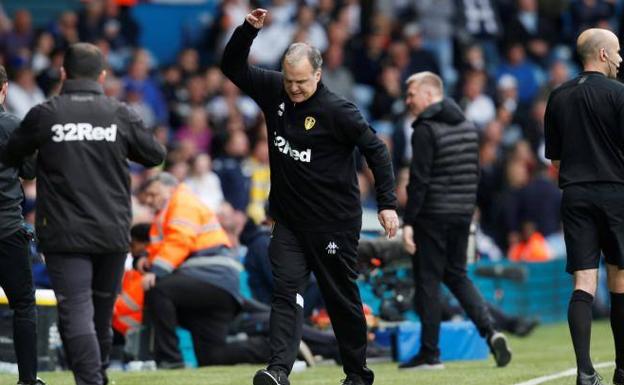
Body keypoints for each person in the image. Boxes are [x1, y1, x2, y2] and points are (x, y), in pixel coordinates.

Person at [221, 8, 399, 385]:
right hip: (288, 222)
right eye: (289, 81)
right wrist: (247, 32)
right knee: (285, 292)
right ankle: (278, 371)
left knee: (341, 298)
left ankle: (357, 374)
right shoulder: (275, 91)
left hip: (334, 222)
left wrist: (386, 204)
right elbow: (231, 68)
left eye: (302, 81)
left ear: (318, 75)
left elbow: (377, 151)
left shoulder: (339, 111)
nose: (295, 88)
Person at [2, 43, 165, 385]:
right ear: (103, 76)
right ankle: (96, 377)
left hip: (64, 231)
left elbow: (17, 154)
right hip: (112, 228)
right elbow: (154, 155)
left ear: (63, 74)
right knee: (100, 313)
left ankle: (92, 380)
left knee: (76, 310)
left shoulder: (46, 114)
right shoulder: (119, 113)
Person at [401, 71, 512, 370]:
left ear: (429, 94)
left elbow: (419, 181)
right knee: (457, 275)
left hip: (432, 215)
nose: (407, 100)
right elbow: (473, 173)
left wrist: (408, 222)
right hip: (462, 213)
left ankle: (430, 354)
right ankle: (491, 332)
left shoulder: (424, 128)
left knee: (428, 281)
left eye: (411, 94)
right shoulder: (466, 124)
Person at [544, 28, 624, 385]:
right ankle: (622, 369)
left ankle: (585, 372)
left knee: (584, 281)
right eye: (618, 52)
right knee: (620, 277)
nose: (621, 60)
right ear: (603, 55)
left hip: (575, 196)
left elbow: (556, 161)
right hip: (616, 194)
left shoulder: (558, 96)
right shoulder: (619, 94)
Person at [131, 172, 269, 367]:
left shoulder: (182, 202)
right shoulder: (169, 210)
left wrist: (156, 270)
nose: (151, 200)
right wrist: (146, 260)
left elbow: (179, 241)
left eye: (154, 194)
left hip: (211, 276)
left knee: (157, 289)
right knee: (212, 356)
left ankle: (170, 360)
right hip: (215, 283)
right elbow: (167, 246)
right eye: (148, 198)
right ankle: (271, 349)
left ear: (171, 187)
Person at [0, 66, 45, 385]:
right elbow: (30, 171)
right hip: (6, 229)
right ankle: (28, 380)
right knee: (24, 306)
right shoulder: (12, 126)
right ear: (3, 90)